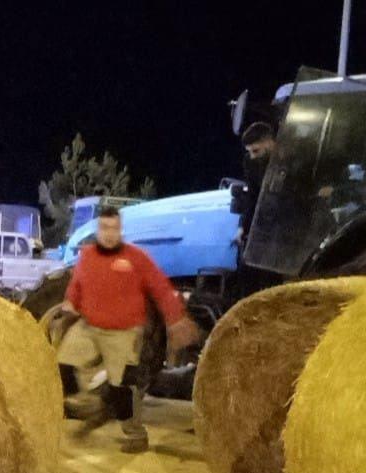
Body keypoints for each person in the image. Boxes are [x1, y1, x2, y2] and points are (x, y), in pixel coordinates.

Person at [58, 207, 202, 454]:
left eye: (114, 229)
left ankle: (136, 435)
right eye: (105, 228)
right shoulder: (88, 256)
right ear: (98, 230)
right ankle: (80, 402)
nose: (109, 234)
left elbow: (161, 289)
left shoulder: (136, 257)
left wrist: (176, 319)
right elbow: (77, 284)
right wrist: (70, 301)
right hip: (89, 327)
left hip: (123, 333)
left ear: (120, 230)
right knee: (63, 358)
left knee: (121, 388)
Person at [233, 121, 277, 247]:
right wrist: (243, 227)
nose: (252, 156)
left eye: (256, 151)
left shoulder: (292, 159)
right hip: (269, 226)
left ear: (269, 142)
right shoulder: (250, 162)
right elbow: (252, 196)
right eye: (249, 151)